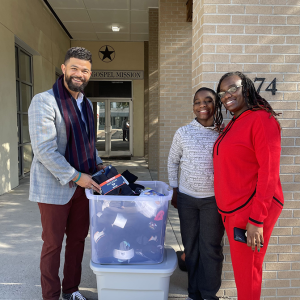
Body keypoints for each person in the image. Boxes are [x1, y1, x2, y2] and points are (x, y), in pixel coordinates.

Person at [28, 47, 105, 300]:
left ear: (90, 74)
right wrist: (76, 176)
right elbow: (44, 150)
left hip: (84, 184)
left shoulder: (86, 103)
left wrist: (99, 164)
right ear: (63, 69)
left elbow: (88, 142)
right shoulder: (44, 101)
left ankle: (71, 290)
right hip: (54, 186)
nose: (78, 74)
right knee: (52, 245)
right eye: (74, 68)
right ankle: (50, 295)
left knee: (77, 241)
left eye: (84, 70)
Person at [213, 71, 284, 300]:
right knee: (243, 271)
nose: (227, 95)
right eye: (222, 93)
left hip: (251, 211)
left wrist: (256, 219)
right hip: (233, 209)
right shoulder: (236, 120)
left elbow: (269, 172)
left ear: (248, 88)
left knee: (248, 274)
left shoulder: (262, 119)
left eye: (233, 88)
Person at [168, 87, 225, 300]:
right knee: (191, 248)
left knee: (210, 249)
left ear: (216, 105)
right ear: (193, 106)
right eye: (197, 102)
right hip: (187, 200)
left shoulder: (223, 133)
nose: (202, 105)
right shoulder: (183, 132)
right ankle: (194, 293)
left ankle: (209, 294)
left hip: (213, 201)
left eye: (208, 100)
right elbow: (172, 161)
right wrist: (174, 189)